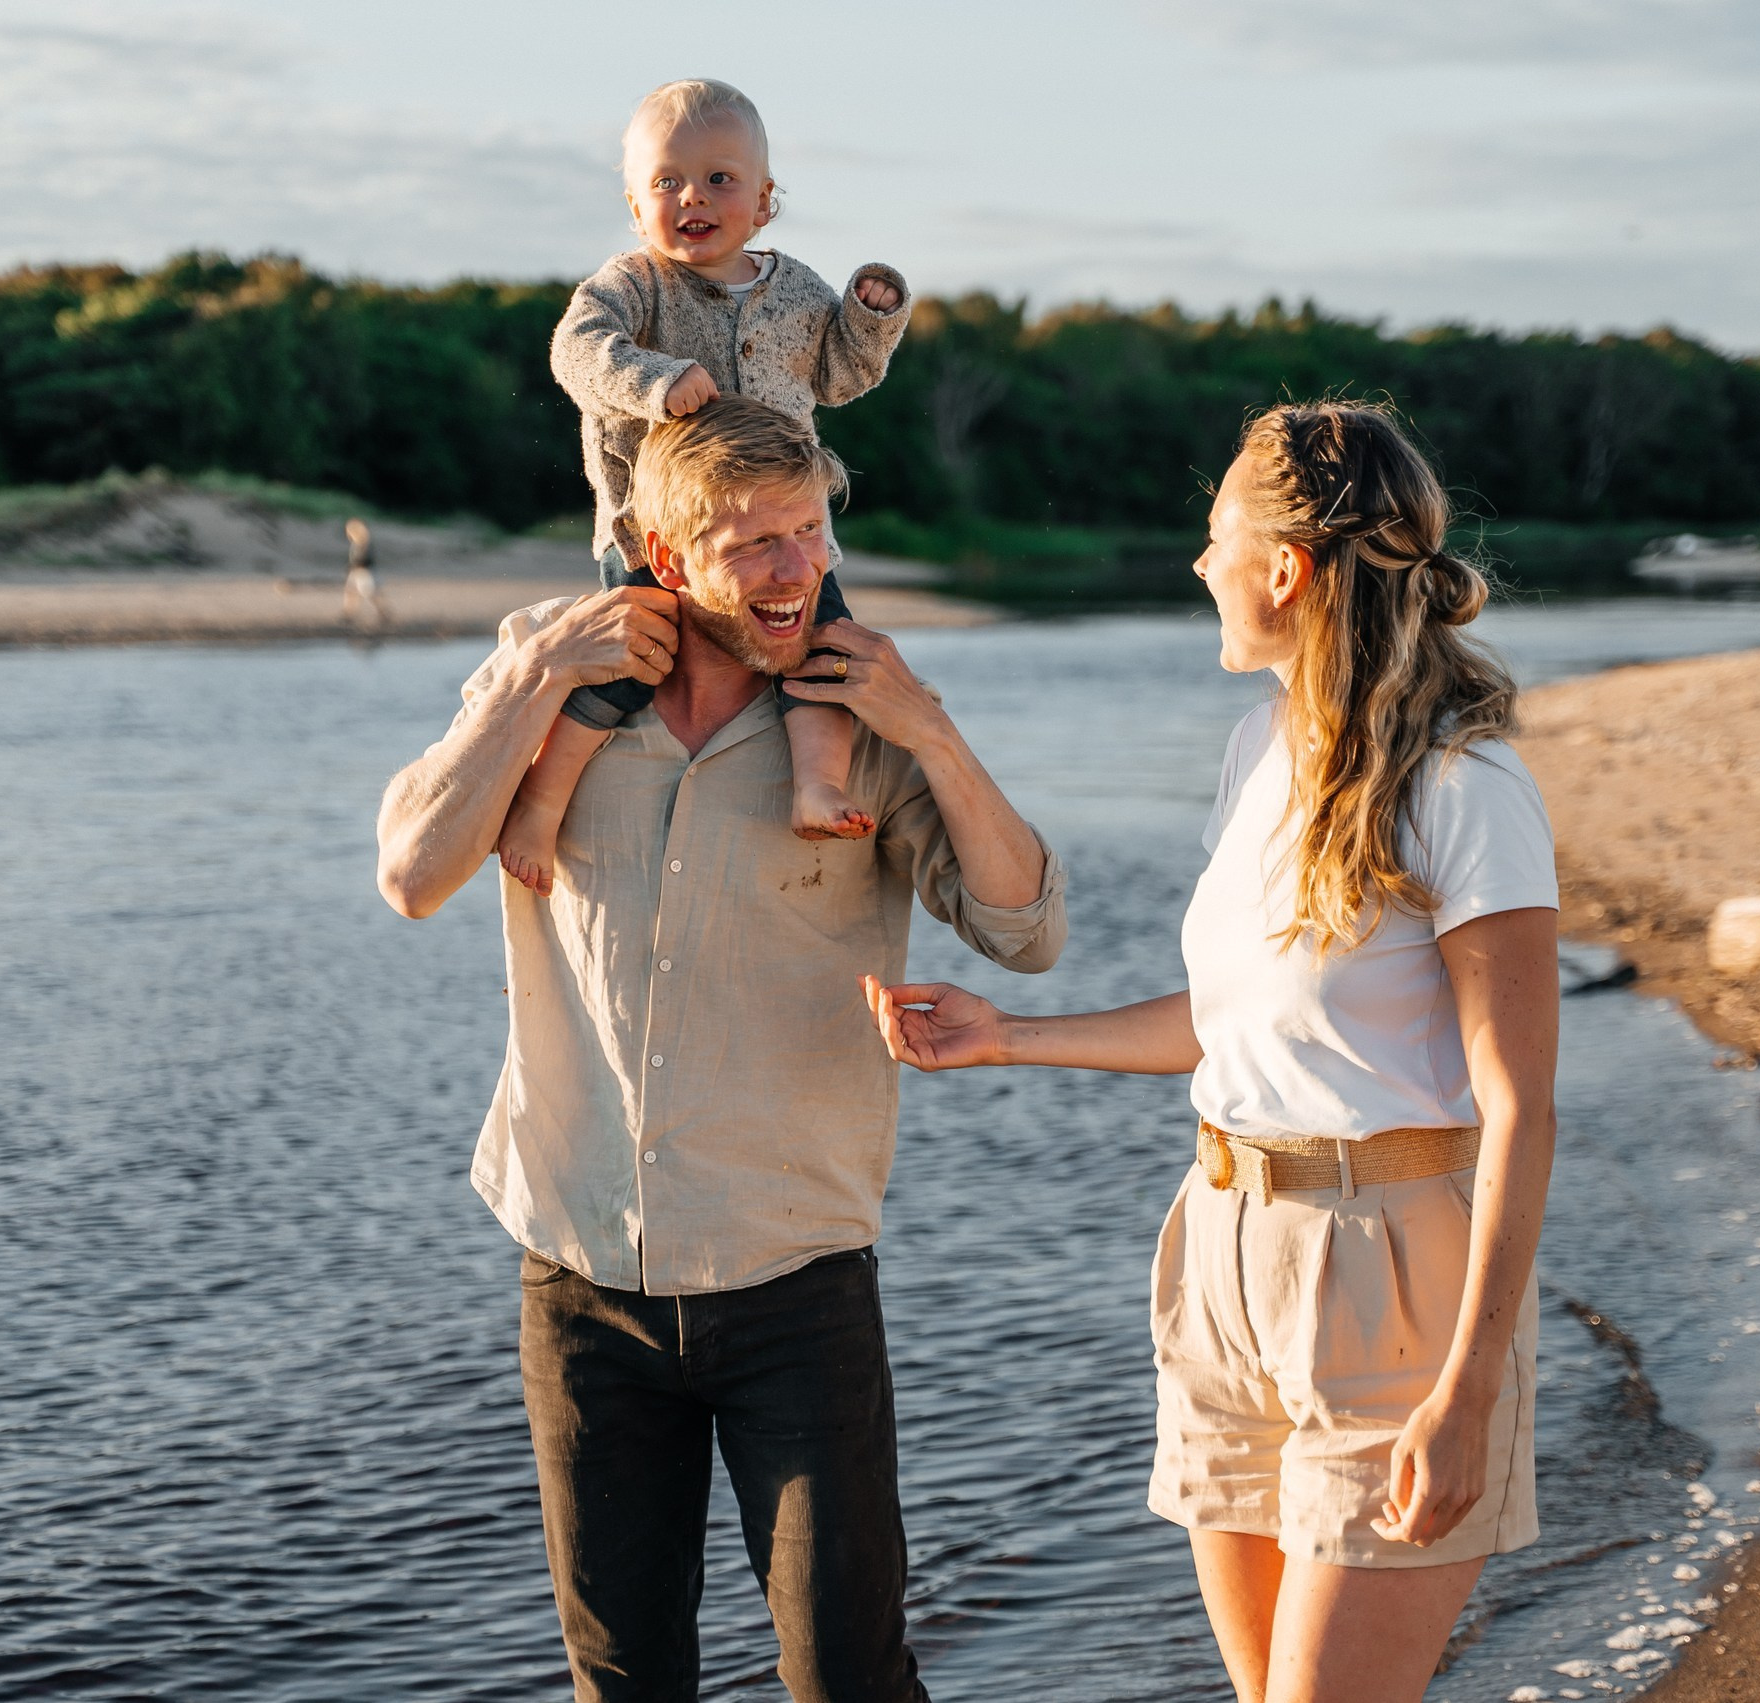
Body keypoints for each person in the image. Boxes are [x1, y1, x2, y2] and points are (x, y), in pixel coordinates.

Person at [861, 401, 1559, 1703]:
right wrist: (1010, 1034)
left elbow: (1522, 1107)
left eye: (1212, 534)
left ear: (1285, 569)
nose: (1198, 565)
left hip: (1393, 1282)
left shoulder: (1467, 784)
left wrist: (1468, 1389)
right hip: (1220, 1256)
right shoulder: (1258, 751)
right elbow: (1233, 1017)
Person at [375, 394, 1066, 1703]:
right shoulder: (553, 678)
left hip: (796, 1281)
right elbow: (412, 874)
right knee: (624, 1680)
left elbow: (1026, 932)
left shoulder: (859, 709)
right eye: (752, 541)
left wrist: (933, 730)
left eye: (807, 530)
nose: (794, 567)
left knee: (848, 1675)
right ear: (667, 551)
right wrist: (529, 679)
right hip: (582, 1282)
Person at [495, 77, 912, 895]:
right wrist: (652, 378)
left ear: (764, 202)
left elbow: (839, 375)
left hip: (783, 531)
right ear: (633, 203)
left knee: (822, 648)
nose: (692, 196)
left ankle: (818, 783)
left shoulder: (796, 291)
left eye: (720, 179)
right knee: (629, 659)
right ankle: (542, 804)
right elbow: (573, 352)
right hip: (654, 530)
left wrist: (871, 318)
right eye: (666, 181)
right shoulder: (633, 285)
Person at [342, 516, 388, 628]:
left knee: (370, 593)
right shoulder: (356, 544)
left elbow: (365, 559)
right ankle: (348, 613)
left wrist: (354, 566)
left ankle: (384, 612)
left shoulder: (364, 544)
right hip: (356, 571)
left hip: (363, 572)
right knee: (350, 591)